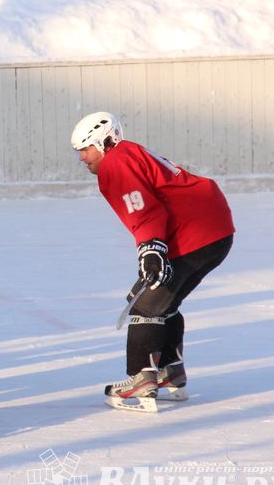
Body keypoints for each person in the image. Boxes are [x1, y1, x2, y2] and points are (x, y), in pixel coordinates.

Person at [71, 111, 235, 412]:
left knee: (145, 305)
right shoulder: (128, 152)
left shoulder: (115, 163)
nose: (82, 157)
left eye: (85, 149)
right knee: (164, 302)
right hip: (215, 230)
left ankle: (141, 380)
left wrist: (151, 248)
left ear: (104, 142)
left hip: (194, 233)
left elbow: (143, 208)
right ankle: (170, 371)